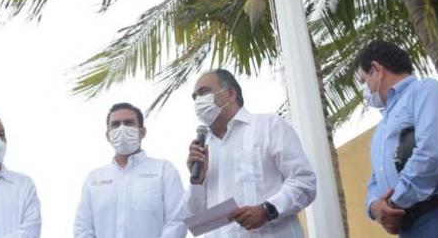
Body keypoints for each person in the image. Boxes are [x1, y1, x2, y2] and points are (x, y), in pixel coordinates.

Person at [357, 40, 438, 237]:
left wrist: (394, 202)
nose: (364, 90)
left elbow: (433, 152)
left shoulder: (425, 91)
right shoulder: (382, 129)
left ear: (377, 69)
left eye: (363, 80)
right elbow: (376, 179)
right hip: (410, 226)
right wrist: (375, 207)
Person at [185, 69, 316, 237]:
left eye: (204, 92)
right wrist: (197, 180)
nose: (198, 101)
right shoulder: (205, 151)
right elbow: (198, 220)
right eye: (195, 97)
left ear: (231, 93)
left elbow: (304, 181)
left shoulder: (268, 126)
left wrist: (267, 210)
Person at [74, 102, 186, 238]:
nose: (122, 128)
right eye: (115, 124)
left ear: (142, 132)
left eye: (129, 123)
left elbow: (177, 220)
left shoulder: (164, 170)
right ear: (108, 135)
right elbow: (82, 228)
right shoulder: (94, 178)